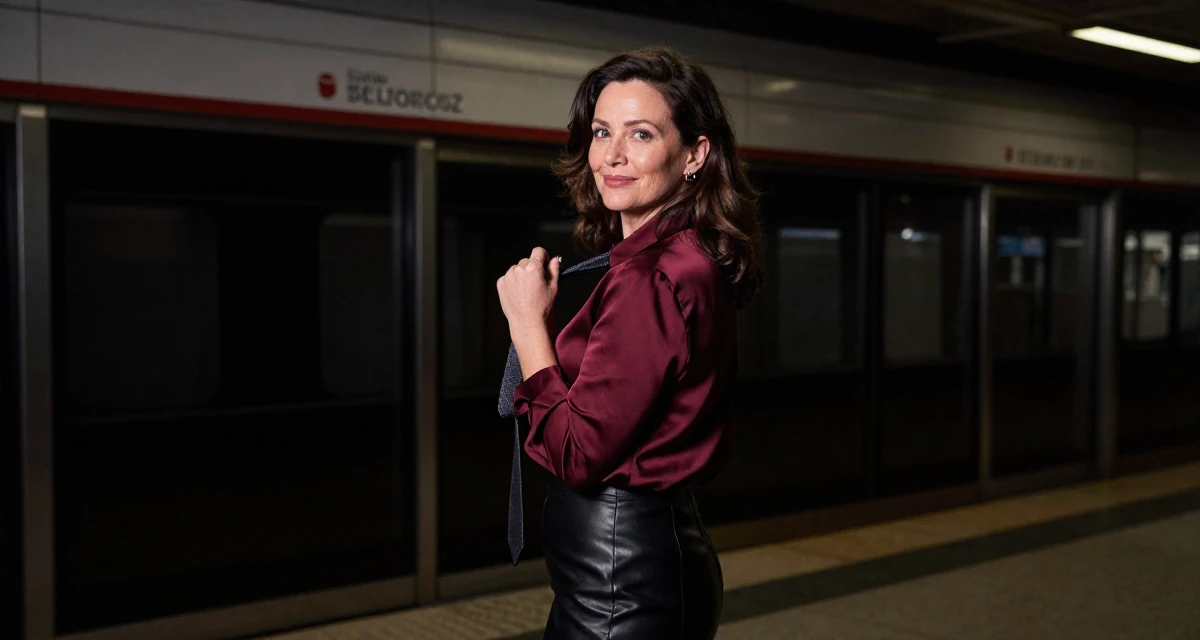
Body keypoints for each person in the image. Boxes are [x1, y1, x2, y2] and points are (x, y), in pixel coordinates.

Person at [495, 46, 765, 639]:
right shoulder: (679, 259)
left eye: (640, 134)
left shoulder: (653, 276)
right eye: (601, 132)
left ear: (694, 154)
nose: (611, 156)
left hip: (622, 576)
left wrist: (527, 325)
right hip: (627, 564)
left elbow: (578, 452)